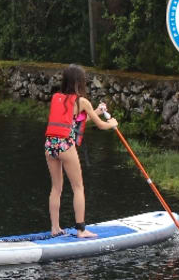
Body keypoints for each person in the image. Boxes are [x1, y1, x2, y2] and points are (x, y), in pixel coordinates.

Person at [43, 64, 117, 238]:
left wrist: (96, 111)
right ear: (79, 82)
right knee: (78, 187)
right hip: (65, 147)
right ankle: (81, 230)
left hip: (50, 145)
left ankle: (55, 228)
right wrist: (112, 124)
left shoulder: (56, 98)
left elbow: (73, 122)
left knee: (56, 188)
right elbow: (101, 125)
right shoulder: (82, 101)